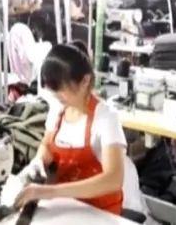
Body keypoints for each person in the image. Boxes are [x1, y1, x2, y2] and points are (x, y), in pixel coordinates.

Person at [15, 43, 126, 215]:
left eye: (61, 89)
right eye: (53, 90)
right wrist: (38, 161)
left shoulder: (106, 118)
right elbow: (47, 145)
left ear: (85, 81)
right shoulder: (58, 109)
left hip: (101, 212)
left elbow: (113, 179)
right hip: (66, 206)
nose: (56, 95)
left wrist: (50, 192)